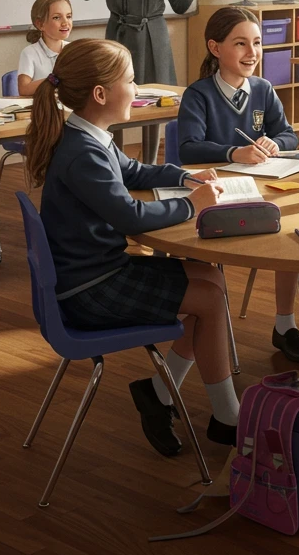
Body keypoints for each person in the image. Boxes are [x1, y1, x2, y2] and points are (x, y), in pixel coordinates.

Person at [26, 38, 238, 457]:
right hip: (90, 290)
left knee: (211, 279)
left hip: (95, 272)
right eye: (131, 80)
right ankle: (227, 418)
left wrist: (184, 178)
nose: (138, 88)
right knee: (209, 300)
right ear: (101, 94)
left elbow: (134, 171)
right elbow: (131, 218)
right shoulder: (82, 153)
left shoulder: (91, 136)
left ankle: (159, 394)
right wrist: (190, 206)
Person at [178, 6, 299, 363]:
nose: (252, 53)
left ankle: (285, 325)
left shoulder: (264, 89)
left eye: (256, 43)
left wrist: (276, 144)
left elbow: (288, 135)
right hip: (218, 195)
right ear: (215, 47)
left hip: (262, 189)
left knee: (290, 232)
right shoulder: (198, 95)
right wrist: (233, 152)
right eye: (240, 44)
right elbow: (188, 148)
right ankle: (203, 327)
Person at [44, 0, 208, 165]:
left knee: (157, 103)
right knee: (112, 100)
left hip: (155, 38)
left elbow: (179, 5)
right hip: (119, 38)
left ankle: (151, 163)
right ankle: (115, 161)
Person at [17, 0, 73, 96]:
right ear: (40, 24)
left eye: (68, 16)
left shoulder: (74, 49)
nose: (65, 22)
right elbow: (23, 89)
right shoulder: (29, 53)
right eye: (56, 18)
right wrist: (55, 79)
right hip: (43, 109)